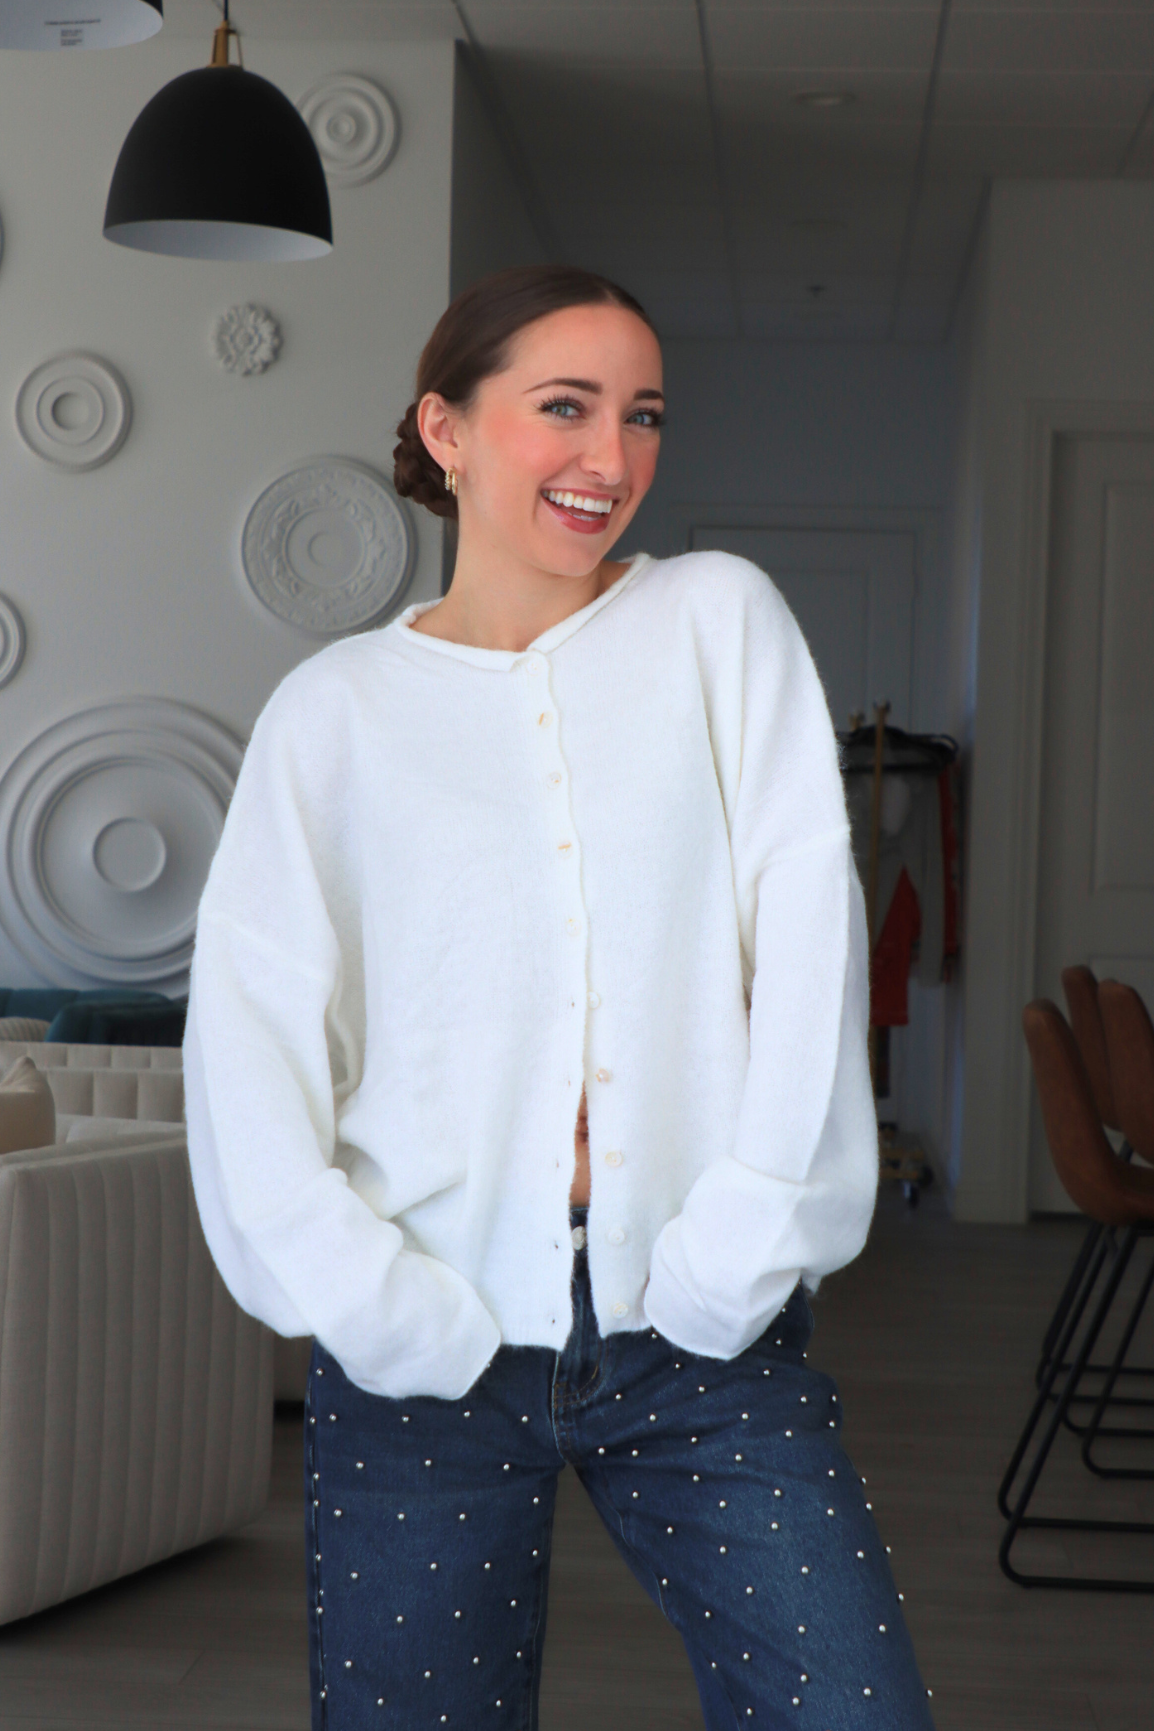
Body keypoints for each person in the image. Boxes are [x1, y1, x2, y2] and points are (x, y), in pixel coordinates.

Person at [183, 263, 936, 1730]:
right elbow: (253, 1049)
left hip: (697, 1329)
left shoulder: (717, 623)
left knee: (852, 1707)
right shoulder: (331, 716)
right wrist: (378, 1308)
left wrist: (737, 1249)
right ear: (446, 429)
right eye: (564, 407)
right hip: (426, 1350)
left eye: (641, 414)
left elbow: (805, 936)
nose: (612, 457)